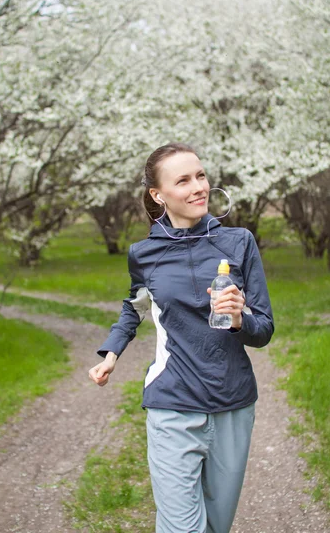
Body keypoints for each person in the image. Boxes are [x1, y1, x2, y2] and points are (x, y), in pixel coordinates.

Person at [88, 142, 274, 533]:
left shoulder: (239, 243)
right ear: (158, 195)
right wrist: (111, 352)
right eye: (184, 180)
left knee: (215, 526)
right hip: (172, 402)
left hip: (233, 403)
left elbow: (265, 331)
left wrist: (241, 319)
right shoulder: (144, 253)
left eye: (201, 176)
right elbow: (135, 305)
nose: (198, 187)